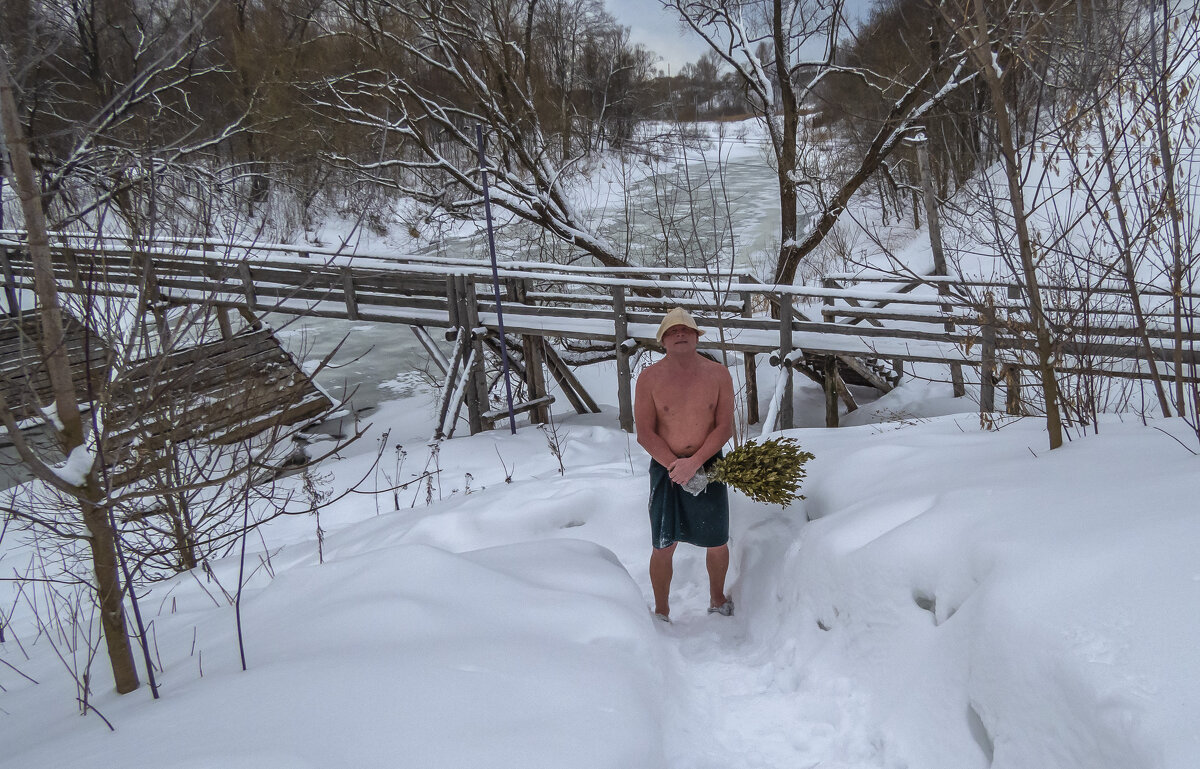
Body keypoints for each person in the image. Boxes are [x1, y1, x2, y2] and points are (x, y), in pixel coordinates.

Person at [634, 307, 735, 622]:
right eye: (672, 331)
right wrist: (674, 465)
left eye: (686, 330)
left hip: (709, 466)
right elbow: (644, 433)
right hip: (666, 471)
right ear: (663, 340)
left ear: (695, 337)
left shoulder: (718, 374)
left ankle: (717, 599)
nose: (680, 334)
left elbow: (724, 427)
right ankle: (662, 610)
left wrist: (695, 463)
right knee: (663, 544)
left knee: (717, 540)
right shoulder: (649, 378)